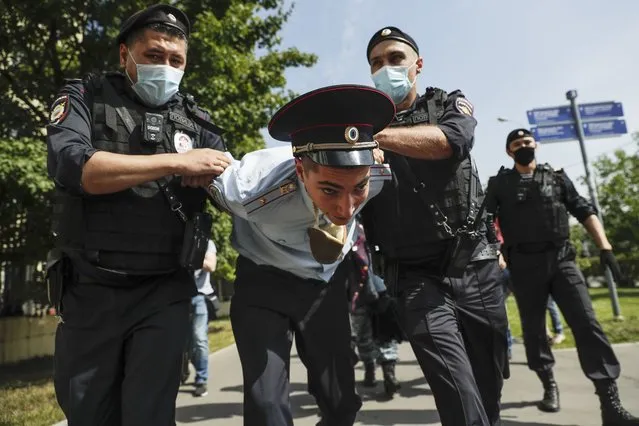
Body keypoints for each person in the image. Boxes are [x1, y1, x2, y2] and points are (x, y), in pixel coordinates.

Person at [45, 4, 229, 425]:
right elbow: (76, 167)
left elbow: (233, 185)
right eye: (153, 55)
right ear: (125, 55)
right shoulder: (83, 98)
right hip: (91, 289)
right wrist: (177, 163)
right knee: (90, 414)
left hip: (164, 291)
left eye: (175, 60)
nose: (165, 66)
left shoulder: (196, 122)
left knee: (150, 415)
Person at [207, 84, 395, 426]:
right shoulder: (251, 190)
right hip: (263, 283)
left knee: (342, 404)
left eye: (359, 188)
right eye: (329, 189)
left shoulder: (377, 175)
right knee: (267, 407)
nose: (346, 207)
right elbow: (211, 175)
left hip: (324, 286)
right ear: (300, 169)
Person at [360, 27, 509, 425]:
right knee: (455, 388)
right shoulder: (360, 123)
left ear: (417, 65)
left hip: (473, 266)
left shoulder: (448, 103)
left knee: (487, 383)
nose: (385, 68)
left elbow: (451, 141)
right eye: (376, 63)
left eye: (394, 58)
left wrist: (379, 138)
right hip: (413, 277)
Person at [485, 128, 638, 425]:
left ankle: (610, 402)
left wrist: (605, 247)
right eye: (517, 144)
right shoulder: (499, 184)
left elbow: (584, 209)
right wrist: (497, 253)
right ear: (509, 151)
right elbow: (487, 221)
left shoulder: (557, 177)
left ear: (536, 145)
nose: (523, 147)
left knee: (587, 324)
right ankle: (548, 384)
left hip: (562, 260)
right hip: (524, 266)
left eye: (527, 142)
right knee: (534, 332)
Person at [348, 225, 401, 397]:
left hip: (358, 292)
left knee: (362, 336)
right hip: (381, 287)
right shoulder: (377, 224)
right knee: (385, 335)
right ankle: (388, 372)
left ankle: (369, 372)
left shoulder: (349, 228)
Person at [189, 240, 218, 397]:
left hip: (200, 296)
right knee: (183, 341)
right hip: (179, 296)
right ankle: (186, 367)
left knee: (199, 338)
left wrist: (188, 253)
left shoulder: (206, 243)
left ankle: (201, 379)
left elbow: (211, 266)